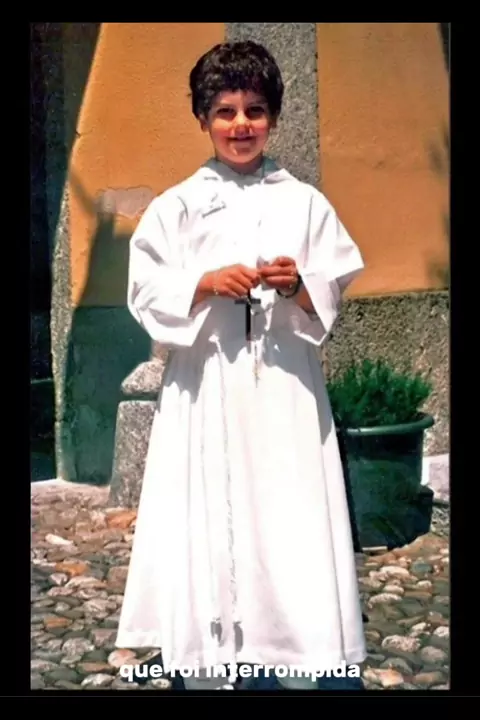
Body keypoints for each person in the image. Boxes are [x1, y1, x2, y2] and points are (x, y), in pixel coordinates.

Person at [115, 40, 367, 691]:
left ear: (273, 116)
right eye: (225, 111)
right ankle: (213, 644)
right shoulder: (177, 206)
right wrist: (204, 283)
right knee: (212, 513)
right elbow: (144, 290)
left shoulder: (304, 203)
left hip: (284, 387)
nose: (241, 124)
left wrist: (299, 283)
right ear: (203, 117)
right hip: (208, 387)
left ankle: (295, 642)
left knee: (288, 511)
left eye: (254, 110)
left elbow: (334, 282)